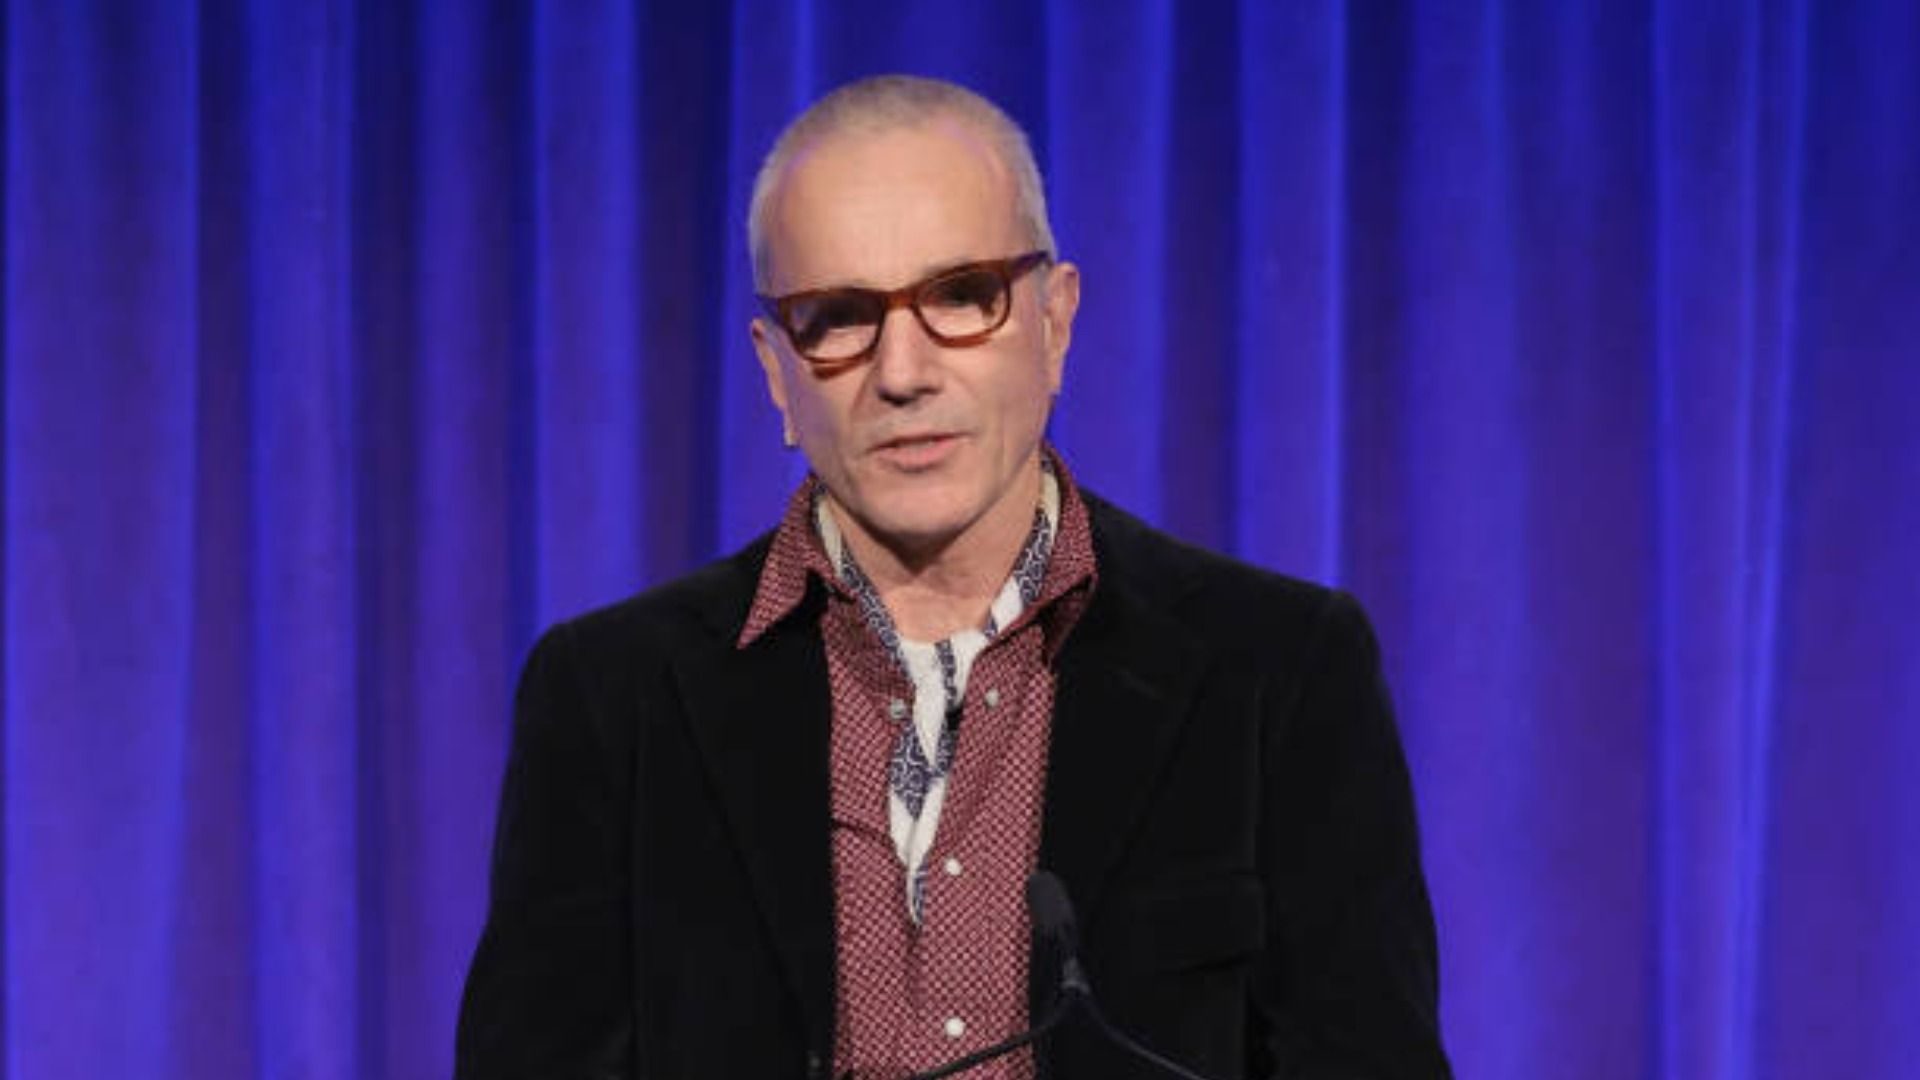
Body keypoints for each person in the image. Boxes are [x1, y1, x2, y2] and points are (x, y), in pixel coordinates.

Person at [456, 74, 1451, 1080]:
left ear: (1055, 324)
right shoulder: (609, 696)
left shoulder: (1279, 672)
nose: (904, 371)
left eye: (960, 297)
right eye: (839, 316)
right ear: (776, 373)